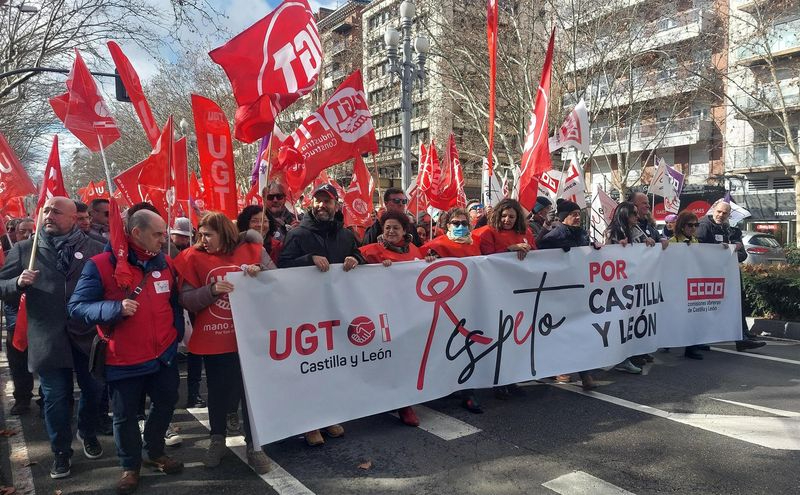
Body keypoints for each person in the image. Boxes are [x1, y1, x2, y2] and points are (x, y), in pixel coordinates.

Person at [69, 209, 184, 494]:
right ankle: (130, 466)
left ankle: (154, 451)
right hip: (124, 358)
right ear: (136, 233)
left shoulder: (166, 263)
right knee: (125, 416)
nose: (163, 239)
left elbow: (174, 304)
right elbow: (77, 307)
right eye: (157, 234)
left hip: (163, 356)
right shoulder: (100, 265)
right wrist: (114, 309)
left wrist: (175, 337)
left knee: (167, 403)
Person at [0, 197, 106, 479]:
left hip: (86, 336)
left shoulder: (95, 248)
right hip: (47, 338)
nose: (49, 215)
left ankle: (86, 431)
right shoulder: (25, 250)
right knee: (56, 398)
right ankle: (61, 451)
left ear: (74, 217)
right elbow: (2, 286)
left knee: (95, 391)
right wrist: (17, 283)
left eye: (56, 211)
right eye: (46, 210)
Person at [174, 212, 273, 473]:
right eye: (200, 234)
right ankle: (216, 439)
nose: (202, 239)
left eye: (208, 234)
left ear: (225, 233)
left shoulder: (253, 250)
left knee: (250, 392)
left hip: (249, 337)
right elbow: (186, 300)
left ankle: (255, 445)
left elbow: (276, 282)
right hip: (214, 337)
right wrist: (211, 291)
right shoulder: (192, 257)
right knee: (217, 391)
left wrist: (260, 274)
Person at [278, 183, 362, 445]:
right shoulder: (298, 234)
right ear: (310, 204)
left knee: (331, 368)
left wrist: (356, 259)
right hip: (306, 314)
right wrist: (309, 259)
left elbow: (359, 255)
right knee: (309, 370)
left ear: (337, 205)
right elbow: (283, 266)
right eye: (318, 200)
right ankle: (308, 423)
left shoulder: (346, 236)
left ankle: (328, 416)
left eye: (327, 201)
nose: (322, 205)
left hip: (336, 313)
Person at [358, 210, 434, 426]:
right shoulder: (372, 250)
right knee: (385, 358)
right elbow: (354, 261)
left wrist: (428, 262)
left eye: (396, 228)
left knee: (405, 359)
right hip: (381, 314)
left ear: (404, 231)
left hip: (408, 314)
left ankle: (404, 404)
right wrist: (362, 265)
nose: (391, 231)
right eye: (387, 227)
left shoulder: (415, 251)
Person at [422, 207, 484, 412]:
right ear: (447, 225)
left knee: (467, 347)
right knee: (444, 347)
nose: (460, 227)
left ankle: (468, 391)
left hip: (470, 304)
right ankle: (442, 387)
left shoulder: (476, 246)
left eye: (464, 223)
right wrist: (428, 261)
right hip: (445, 307)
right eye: (455, 223)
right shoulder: (435, 245)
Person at [536, 200, 599, 390]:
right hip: (558, 290)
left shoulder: (582, 234)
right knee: (561, 330)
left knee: (579, 330)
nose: (578, 217)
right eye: (573, 214)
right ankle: (562, 369)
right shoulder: (555, 235)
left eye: (579, 214)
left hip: (578, 289)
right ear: (564, 217)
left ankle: (584, 373)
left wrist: (595, 248)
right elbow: (539, 247)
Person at [696, 200, 766, 352]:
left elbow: (742, 255)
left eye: (725, 213)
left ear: (729, 215)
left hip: (729, 276)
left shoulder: (730, 229)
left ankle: (743, 337)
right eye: (719, 212)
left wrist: (733, 249)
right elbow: (698, 250)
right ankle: (699, 340)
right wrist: (720, 251)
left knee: (737, 303)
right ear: (713, 209)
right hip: (709, 277)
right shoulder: (703, 225)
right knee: (705, 307)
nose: (721, 215)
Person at [2, 217, 35, 415]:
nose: (28, 234)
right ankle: (22, 398)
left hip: (42, 318)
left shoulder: (48, 252)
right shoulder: (11, 253)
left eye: (32, 229)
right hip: (16, 318)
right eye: (23, 231)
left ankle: (47, 401)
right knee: (19, 361)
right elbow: (3, 285)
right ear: (14, 232)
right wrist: (18, 282)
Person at [668, 211, 706, 360]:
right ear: (682, 226)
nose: (693, 228)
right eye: (690, 225)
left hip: (692, 284)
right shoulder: (673, 242)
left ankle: (691, 347)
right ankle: (668, 339)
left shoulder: (696, 241)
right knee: (675, 315)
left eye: (696, 225)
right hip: (677, 285)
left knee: (692, 315)